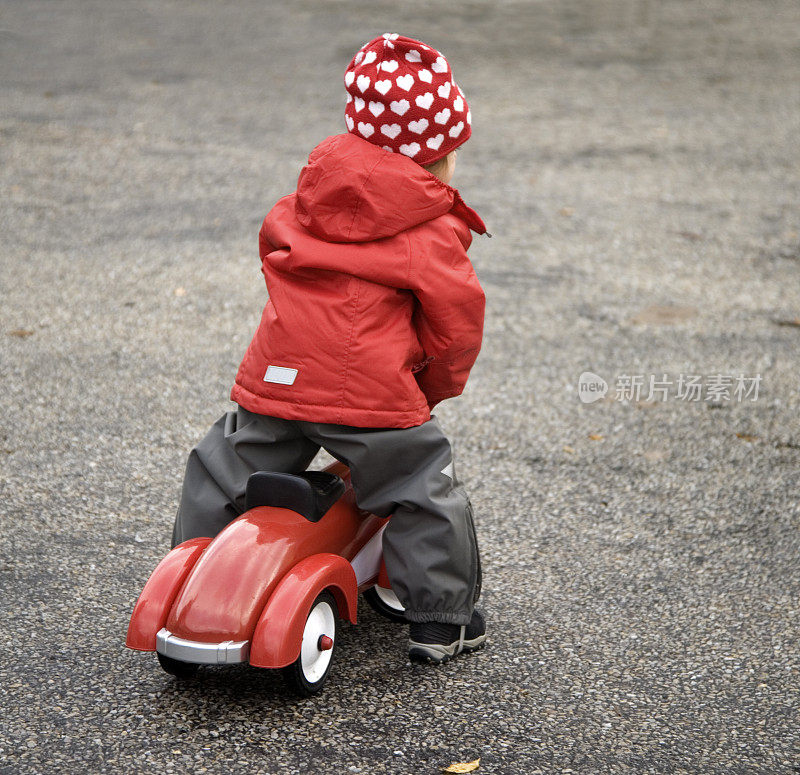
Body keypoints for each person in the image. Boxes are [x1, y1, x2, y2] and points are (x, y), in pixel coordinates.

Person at [171, 33, 489, 663]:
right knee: (420, 483)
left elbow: (272, 256)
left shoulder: (301, 203)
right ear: (438, 159)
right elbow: (456, 325)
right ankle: (441, 620)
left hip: (280, 380)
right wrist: (430, 390)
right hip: (371, 394)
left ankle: (191, 585)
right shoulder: (430, 231)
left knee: (220, 465)